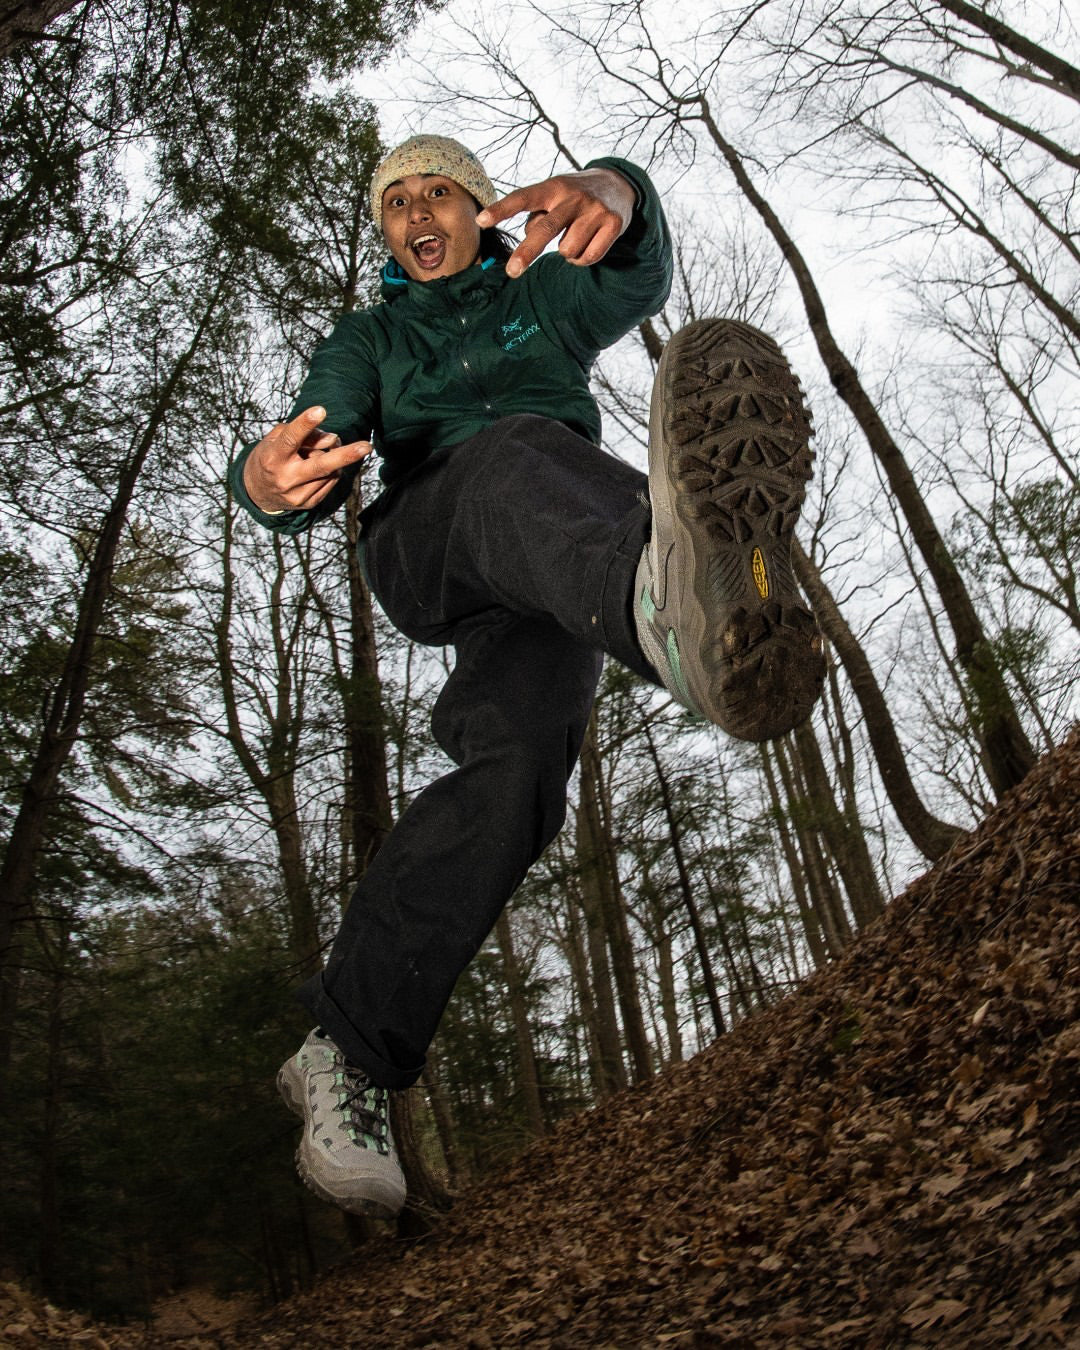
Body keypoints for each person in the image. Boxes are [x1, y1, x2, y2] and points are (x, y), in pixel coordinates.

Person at [231, 135, 824, 1219]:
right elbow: (323, 418)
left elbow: (633, 275)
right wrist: (269, 481)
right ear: (388, 233)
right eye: (396, 203)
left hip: (554, 568)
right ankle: (666, 607)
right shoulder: (372, 334)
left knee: (515, 781)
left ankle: (347, 1050)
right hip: (429, 540)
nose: (418, 214)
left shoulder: (534, 297)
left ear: (479, 208)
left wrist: (618, 192)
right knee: (510, 453)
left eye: (438, 193)